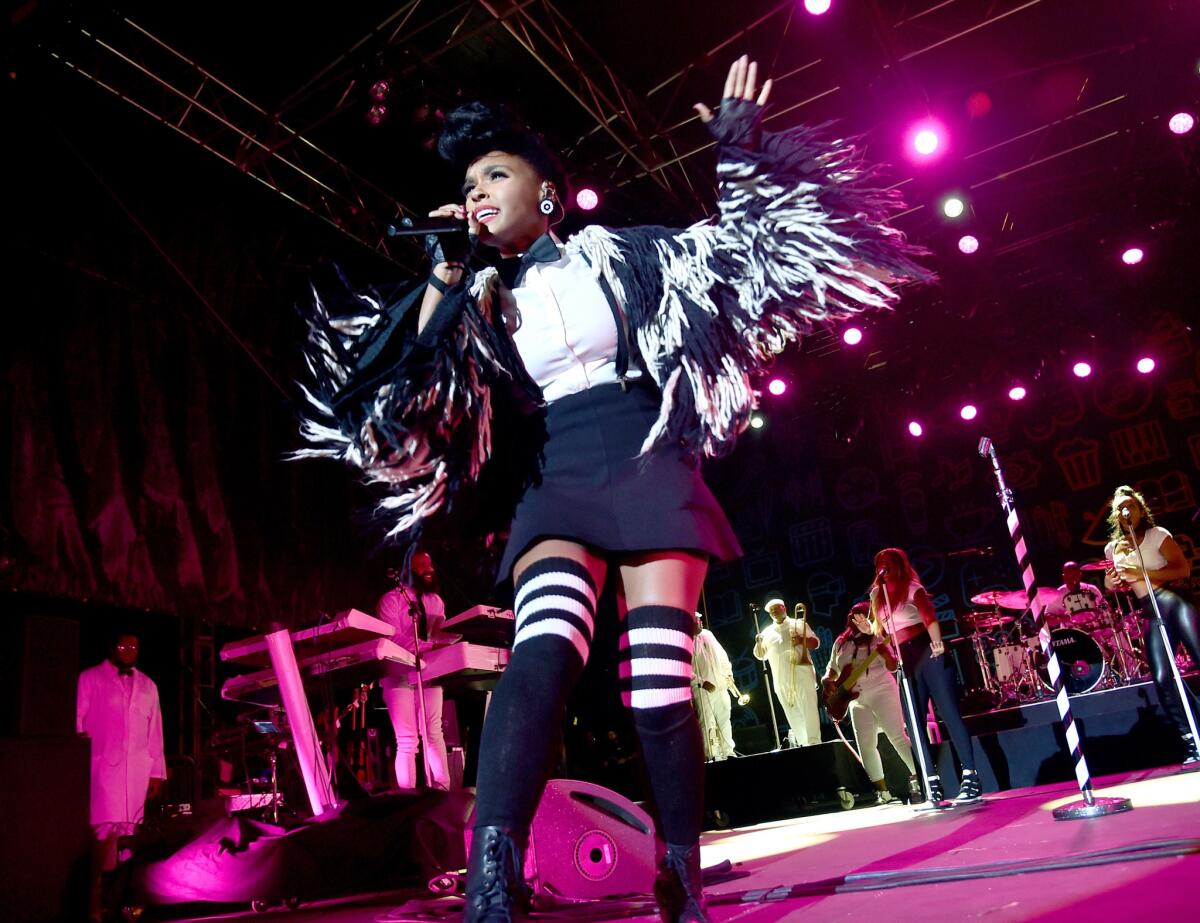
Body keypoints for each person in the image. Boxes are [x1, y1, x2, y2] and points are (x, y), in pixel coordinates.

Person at [296, 54, 927, 923]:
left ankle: (680, 873)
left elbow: (748, 254)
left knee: (659, 681)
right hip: (558, 469)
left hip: (648, 456)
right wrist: (443, 273)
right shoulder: (478, 296)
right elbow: (388, 383)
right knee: (543, 646)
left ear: (547, 191)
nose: (476, 191)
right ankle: (495, 874)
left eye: (494, 174)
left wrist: (740, 149)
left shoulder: (625, 256)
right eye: (467, 182)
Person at [871, 548, 981, 806]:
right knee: (913, 722)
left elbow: (929, 616)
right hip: (904, 660)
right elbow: (884, 632)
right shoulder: (878, 595)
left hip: (926, 651)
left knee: (949, 713)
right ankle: (931, 783)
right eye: (878, 564)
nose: (882, 567)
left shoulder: (911, 588)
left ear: (897, 565)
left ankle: (970, 777)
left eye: (887, 563)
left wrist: (937, 644)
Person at [1103, 486, 1200, 765]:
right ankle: (1190, 739)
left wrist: (1141, 573)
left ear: (1140, 510)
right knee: (1160, 677)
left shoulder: (1159, 535)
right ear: (1116, 516)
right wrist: (1112, 583)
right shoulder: (1113, 548)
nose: (1126, 512)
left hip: (1173, 600)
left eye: (1131, 506)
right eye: (1121, 508)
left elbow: (1183, 569)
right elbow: (1113, 585)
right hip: (1150, 610)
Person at [76, 630, 166, 922]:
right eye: (123, 645)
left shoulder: (148, 686)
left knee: (130, 840)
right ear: (112, 646)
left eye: (134, 646)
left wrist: (156, 773)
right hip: (101, 771)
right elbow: (77, 720)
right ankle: (92, 908)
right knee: (102, 840)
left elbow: (155, 733)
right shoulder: (90, 679)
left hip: (136, 774)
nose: (129, 650)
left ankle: (122, 905)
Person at [376, 551, 458, 791]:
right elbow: (393, 639)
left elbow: (438, 634)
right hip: (398, 675)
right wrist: (431, 646)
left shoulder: (435, 601)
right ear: (406, 570)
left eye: (429, 564)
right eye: (421, 565)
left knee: (434, 733)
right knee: (407, 740)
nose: (428, 569)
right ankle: (408, 797)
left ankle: (443, 791)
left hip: (430, 672)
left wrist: (448, 640)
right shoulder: (391, 601)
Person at [822, 602, 916, 804]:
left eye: (860, 616)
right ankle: (883, 792)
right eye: (852, 615)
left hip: (881, 690)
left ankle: (922, 778)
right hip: (855, 699)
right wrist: (826, 680)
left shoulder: (878, 636)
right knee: (865, 745)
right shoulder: (840, 642)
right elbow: (832, 669)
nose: (854, 619)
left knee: (897, 736)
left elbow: (892, 667)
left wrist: (885, 653)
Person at [754, 598, 821, 747]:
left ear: (784, 608)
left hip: (802, 674)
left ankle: (814, 743)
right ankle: (804, 745)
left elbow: (816, 643)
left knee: (809, 709)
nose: (774, 613)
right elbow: (760, 655)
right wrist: (758, 642)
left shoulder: (799, 624)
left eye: (776, 609)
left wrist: (801, 640)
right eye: (771, 612)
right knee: (793, 715)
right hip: (781, 680)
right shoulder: (766, 632)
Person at [691, 612, 747, 762]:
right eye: (697, 620)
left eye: (700, 619)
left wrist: (728, 675)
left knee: (724, 719)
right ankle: (713, 755)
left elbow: (722, 656)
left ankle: (728, 752)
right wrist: (701, 682)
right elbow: (683, 669)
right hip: (703, 690)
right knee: (708, 723)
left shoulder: (708, 634)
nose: (700, 622)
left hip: (720, 685)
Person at [1047, 560, 1107, 626]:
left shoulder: (1092, 589)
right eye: (1068, 577)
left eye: (1074, 576)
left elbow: (1105, 607)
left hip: (1096, 628)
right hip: (1073, 633)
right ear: (1064, 577)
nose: (1072, 580)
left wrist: (1104, 607)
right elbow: (1048, 619)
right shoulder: (1058, 594)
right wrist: (1062, 618)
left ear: (1080, 574)